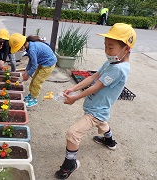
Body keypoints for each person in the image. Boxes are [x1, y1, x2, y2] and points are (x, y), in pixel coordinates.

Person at [54, 23, 137, 179]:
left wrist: (75, 98)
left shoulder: (118, 69)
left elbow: (96, 86)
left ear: (126, 48)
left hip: (96, 110)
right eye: (105, 46)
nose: (106, 51)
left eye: (110, 47)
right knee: (103, 123)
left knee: (73, 133)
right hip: (100, 108)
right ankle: (110, 141)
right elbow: (92, 77)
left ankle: (69, 164)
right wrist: (73, 88)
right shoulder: (112, 62)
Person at [9, 33, 57, 107]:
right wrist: (26, 71)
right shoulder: (30, 46)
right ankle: (31, 95)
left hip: (49, 64)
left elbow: (34, 66)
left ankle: (34, 99)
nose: (18, 50)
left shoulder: (31, 50)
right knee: (34, 79)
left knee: (36, 82)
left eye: (18, 48)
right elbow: (31, 61)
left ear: (22, 45)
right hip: (43, 63)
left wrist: (27, 75)